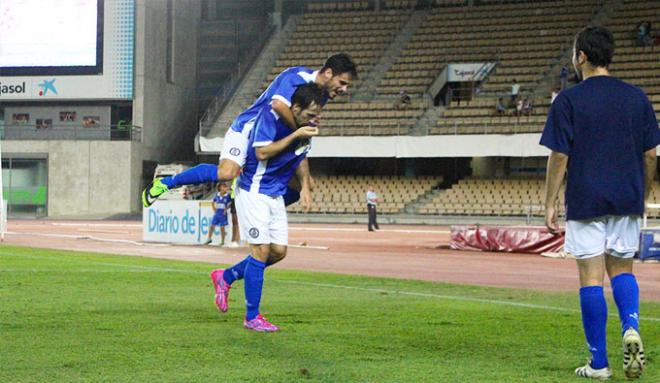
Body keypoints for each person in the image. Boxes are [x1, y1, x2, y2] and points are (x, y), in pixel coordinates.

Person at [541, 26, 659, 380]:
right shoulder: (637, 98)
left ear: (582, 57)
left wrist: (549, 201)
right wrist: (642, 190)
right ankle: (630, 327)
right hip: (626, 195)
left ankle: (599, 364)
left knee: (590, 279)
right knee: (622, 270)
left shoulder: (568, 100)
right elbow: (651, 154)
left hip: (586, 196)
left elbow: (559, 156)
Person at [142, 53, 358, 207]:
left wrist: (298, 142)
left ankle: (251, 207)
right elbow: (278, 105)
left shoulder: (321, 96)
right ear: (328, 73)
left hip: (273, 138)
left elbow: (302, 133)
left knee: (304, 184)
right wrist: (296, 135)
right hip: (248, 129)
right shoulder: (296, 77)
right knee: (226, 173)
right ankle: (165, 184)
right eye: (342, 82)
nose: (344, 89)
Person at [209, 83, 324, 332]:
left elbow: (301, 156)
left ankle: (226, 276)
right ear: (295, 108)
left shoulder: (306, 128)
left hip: (274, 194)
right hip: (253, 192)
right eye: (310, 114)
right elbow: (262, 152)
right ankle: (252, 317)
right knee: (260, 250)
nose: (314, 119)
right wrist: (294, 135)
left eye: (318, 114)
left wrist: (304, 185)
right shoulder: (269, 119)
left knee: (278, 252)